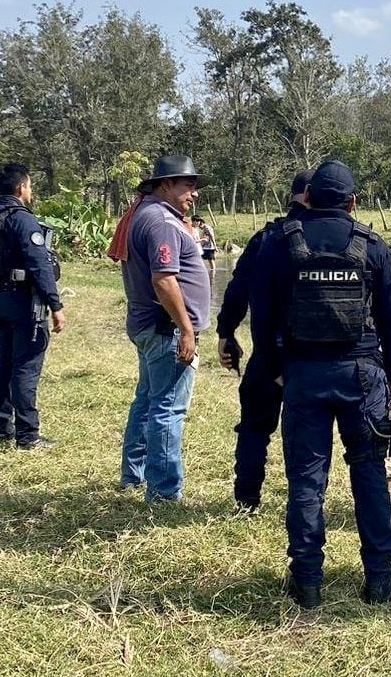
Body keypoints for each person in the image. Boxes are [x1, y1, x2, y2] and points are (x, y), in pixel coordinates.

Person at [251, 160, 391, 609]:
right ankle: (379, 578)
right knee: (370, 474)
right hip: (363, 376)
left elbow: (261, 318)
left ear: (308, 198)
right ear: (353, 203)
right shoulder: (372, 246)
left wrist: (276, 369)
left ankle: (307, 582)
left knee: (306, 479)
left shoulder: (279, 244)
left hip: (303, 375)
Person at [108, 155, 211, 503]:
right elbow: (164, 280)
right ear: (165, 184)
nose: (193, 194)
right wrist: (186, 328)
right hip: (165, 329)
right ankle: (164, 493)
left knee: (148, 401)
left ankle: (133, 475)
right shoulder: (162, 222)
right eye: (188, 185)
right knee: (168, 407)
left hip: (149, 326)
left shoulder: (147, 214)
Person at [215, 170, 314, 512]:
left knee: (255, 428)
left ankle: (247, 500)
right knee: (307, 434)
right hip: (311, 357)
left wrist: (226, 332)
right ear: (309, 195)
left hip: (268, 351)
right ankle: (305, 504)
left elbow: (237, 289)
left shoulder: (264, 239)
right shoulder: (328, 238)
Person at [0, 163, 66, 450]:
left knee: (3, 365)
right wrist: (56, 304)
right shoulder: (22, 220)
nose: (31, 190)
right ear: (21, 187)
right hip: (23, 301)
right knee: (25, 366)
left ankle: (3, 430)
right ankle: (28, 436)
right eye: (30, 185)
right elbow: (40, 265)